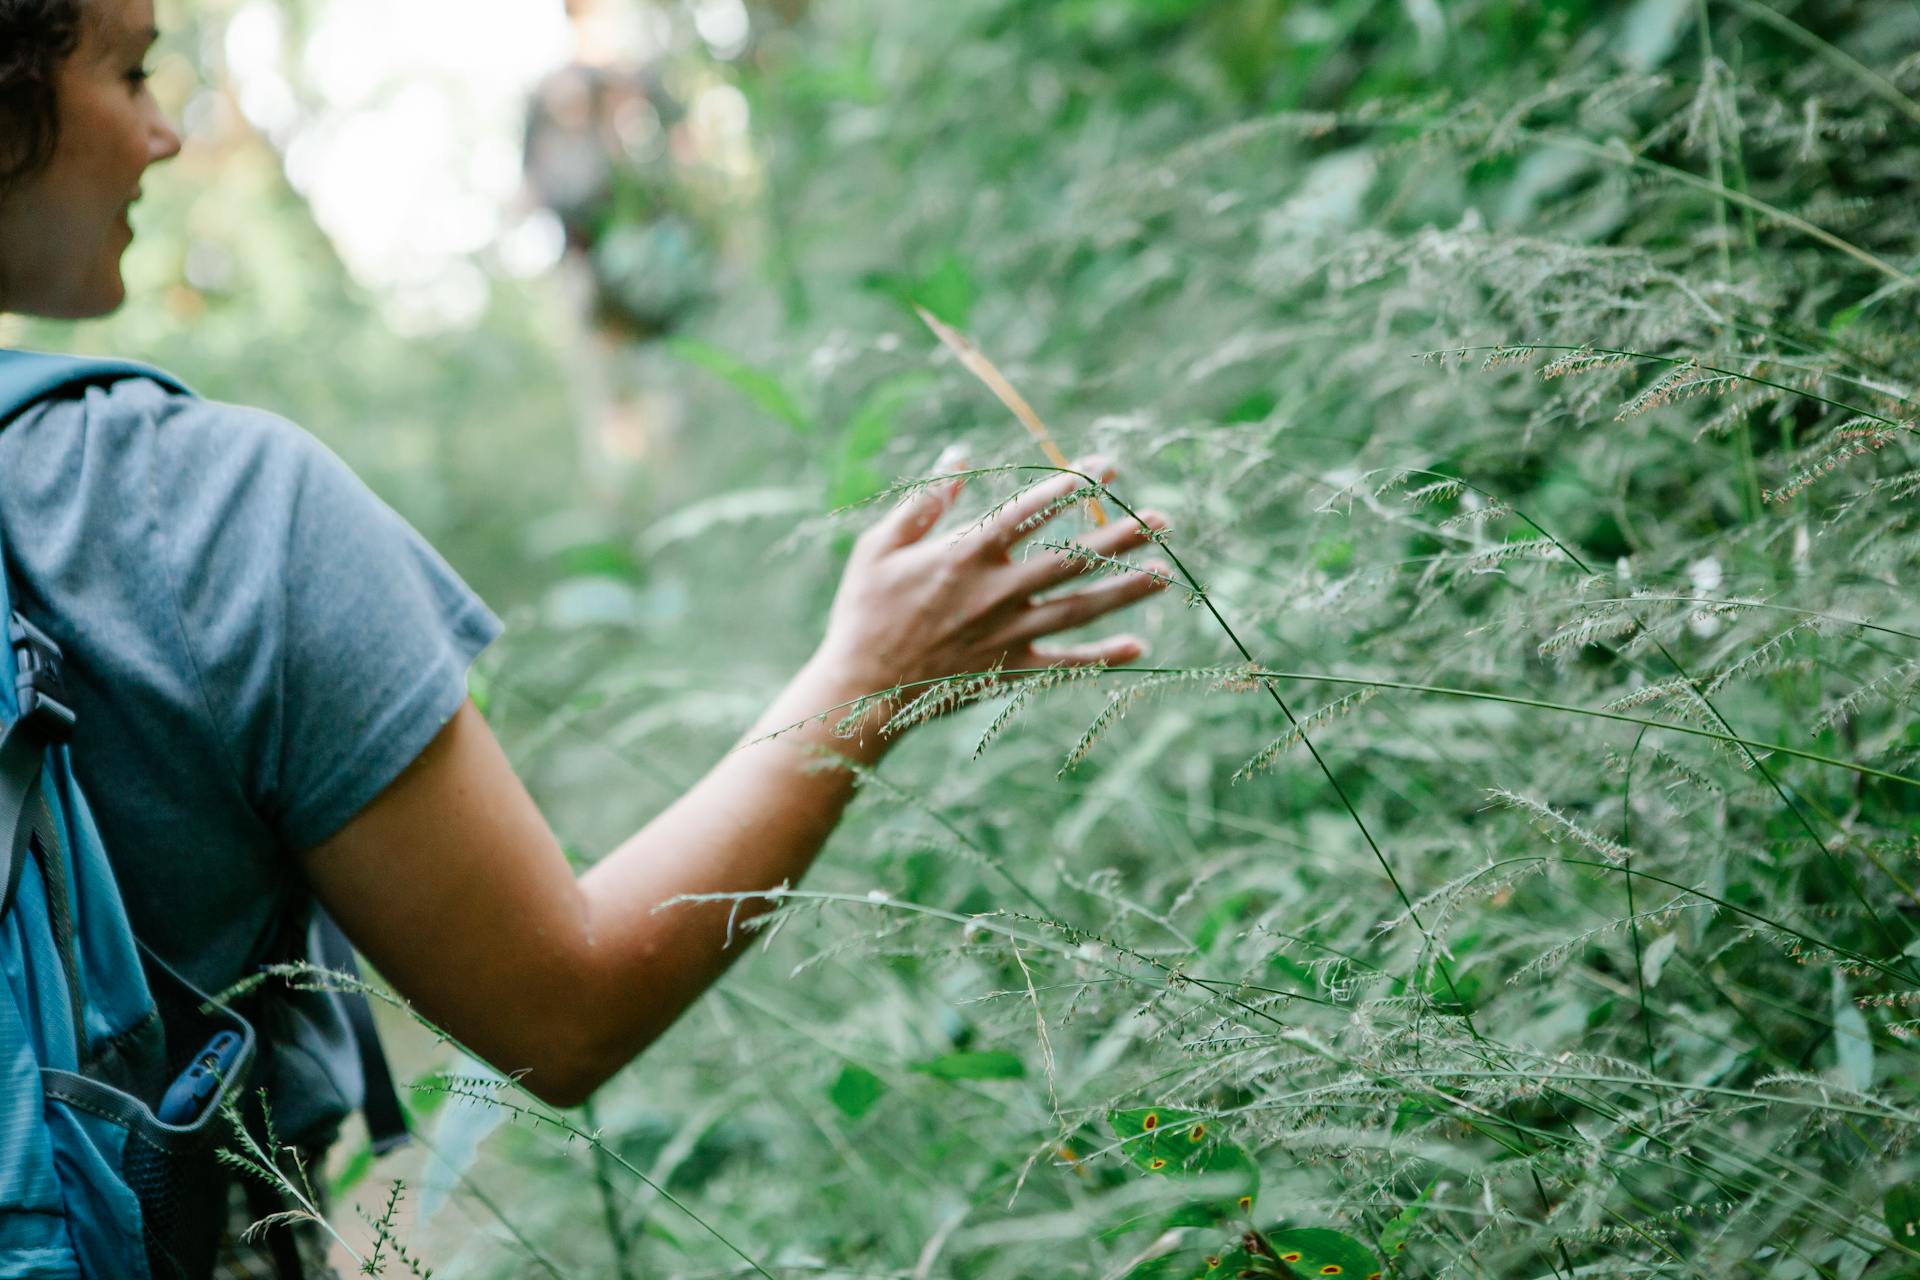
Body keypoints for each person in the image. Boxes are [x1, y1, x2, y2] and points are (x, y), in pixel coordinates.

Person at [0, 0, 1172, 1272]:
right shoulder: (202, 506)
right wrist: (870, 675)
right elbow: (562, 1004)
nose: (167, 132)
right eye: (132, 70)